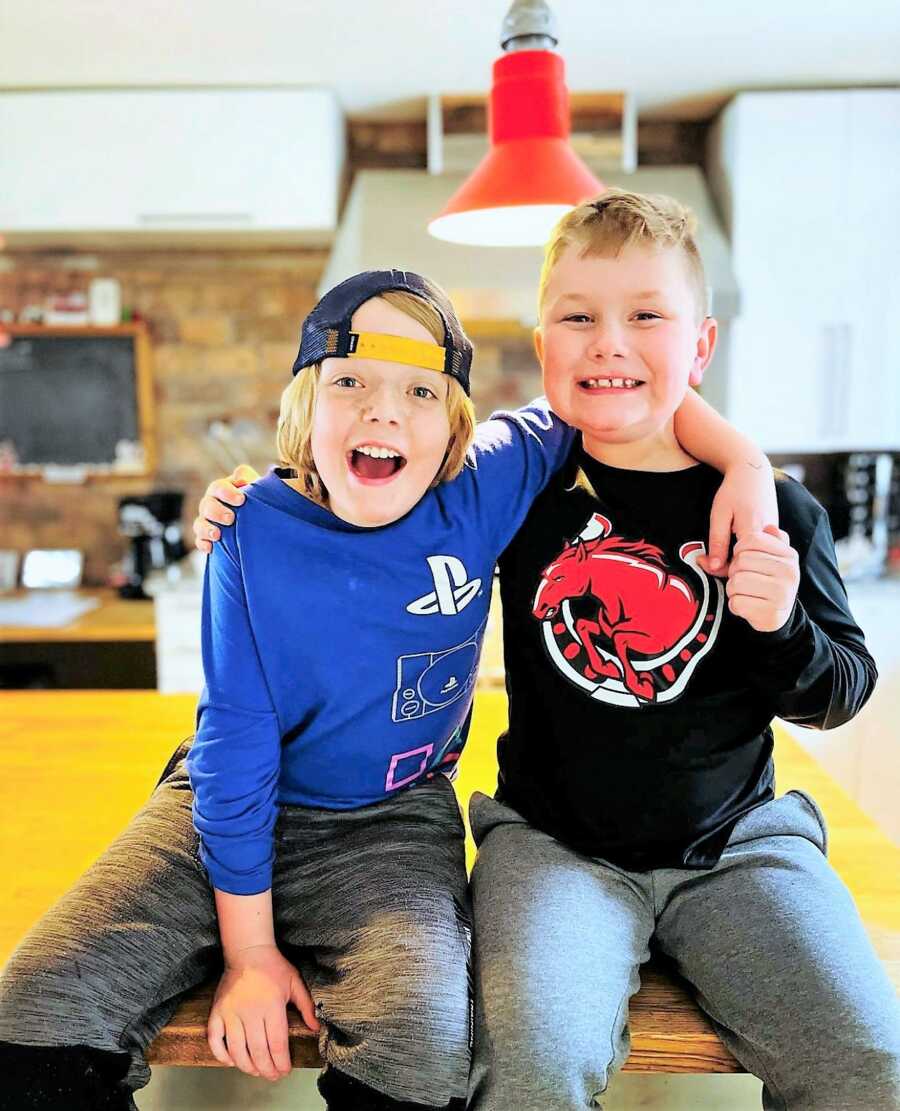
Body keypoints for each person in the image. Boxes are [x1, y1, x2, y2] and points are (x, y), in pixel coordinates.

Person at [0, 266, 772, 1111]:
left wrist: (746, 461)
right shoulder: (249, 534)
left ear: (455, 431)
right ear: (303, 407)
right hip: (219, 808)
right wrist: (251, 953)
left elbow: (609, 397)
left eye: (419, 392)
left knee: (420, 1042)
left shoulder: (488, 484)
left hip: (392, 821)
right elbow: (234, 752)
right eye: (350, 382)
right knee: (35, 1009)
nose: (383, 410)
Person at [194, 192, 900, 1111]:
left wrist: (779, 620)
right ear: (544, 349)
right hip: (555, 849)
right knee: (526, 1065)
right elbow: (375, 494)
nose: (609, 342)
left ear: (702, 345)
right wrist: (263, 504)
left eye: (646, 315)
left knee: (868, 1063)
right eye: (579, 317)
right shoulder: (517, 490)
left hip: (740, 844)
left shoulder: (775, 514)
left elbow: (841, 688)